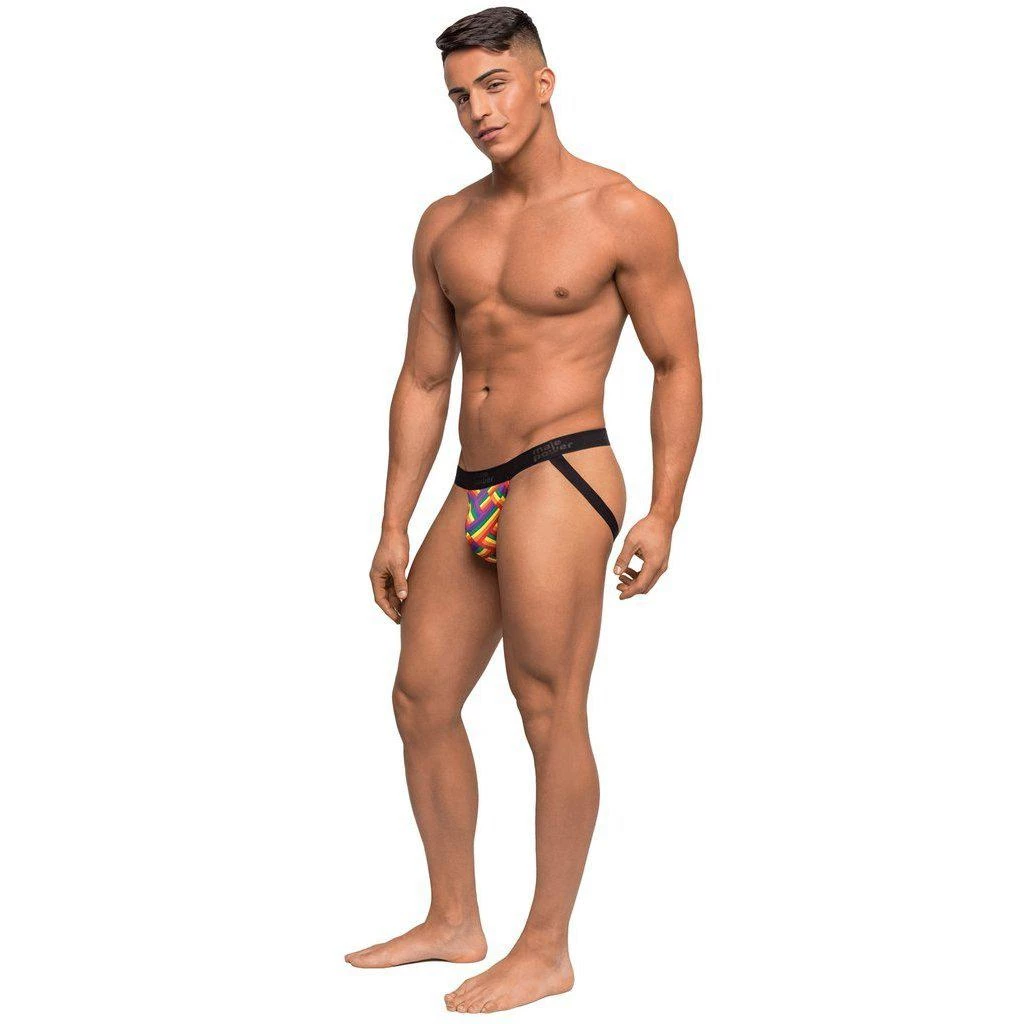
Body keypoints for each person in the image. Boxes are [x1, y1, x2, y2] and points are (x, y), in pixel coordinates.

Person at [345, 6, 702, 1014]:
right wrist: (391, 520)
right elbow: (424, 379)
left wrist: (664, 511)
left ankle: (547, 948)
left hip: (564, 467)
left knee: (546, 705)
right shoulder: (446, 224)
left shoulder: (623, 213)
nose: (478, 111)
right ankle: (454, 917)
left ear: (544, 83)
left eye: (495, 85)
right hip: (474, 481)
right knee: (420, 698)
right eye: (460, 95)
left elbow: (675, 364)